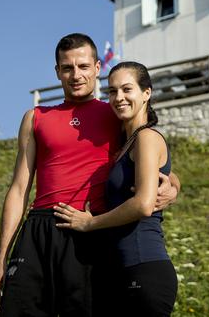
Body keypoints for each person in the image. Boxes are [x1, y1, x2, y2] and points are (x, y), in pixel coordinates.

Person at [0, 34, 180, 317]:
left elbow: (157, 162)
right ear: (57, 72)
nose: (76, 75)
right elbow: (18, 189)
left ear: (97, 67)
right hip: (40, 230)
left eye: (83, 66)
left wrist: (174, 186)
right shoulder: (35, 117)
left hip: (90, 228)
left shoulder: (116, 113)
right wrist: (1, 257)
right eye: (67, 68)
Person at [53, 61, 177, 317]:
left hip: (143, 267)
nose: (118, 97)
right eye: (112, 91)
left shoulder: (146, 137)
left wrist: (89, 223)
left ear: (146, 93)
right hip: (120, 270)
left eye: (127, 89)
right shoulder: (126, 143)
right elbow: (167, 174)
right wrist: (175, 184)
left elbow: (143, 205)